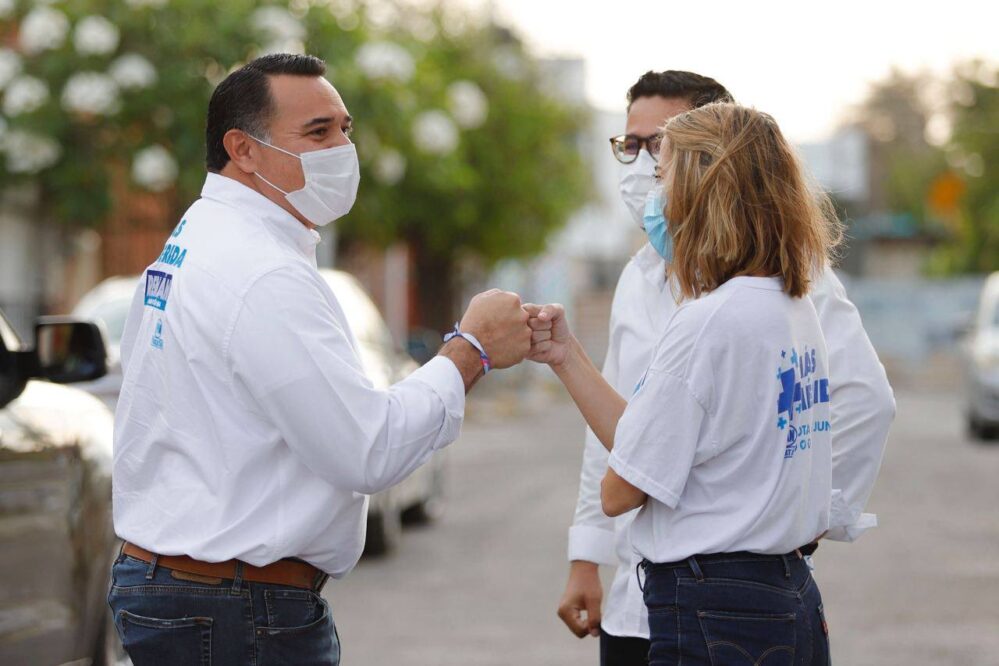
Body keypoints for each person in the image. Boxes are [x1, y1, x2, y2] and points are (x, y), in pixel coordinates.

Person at [107, 53, 532, 666]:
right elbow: (367, 448)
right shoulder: (260, 271)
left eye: (344, 129)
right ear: (243, 149)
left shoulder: (197, 239)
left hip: (192, 592)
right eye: (316, 132)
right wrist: (471, 350)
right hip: (233, 607)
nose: (340, 148)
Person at [558, 72, 895, 665]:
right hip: (742, 593)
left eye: (663, 158)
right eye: (632, 148)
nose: (648, 179)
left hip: (711, 599)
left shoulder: (713, 316)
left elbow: (622, 484)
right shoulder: (778, 298)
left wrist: (804, 518)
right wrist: (566, 356)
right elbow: (633, 437)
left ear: (710, 181)